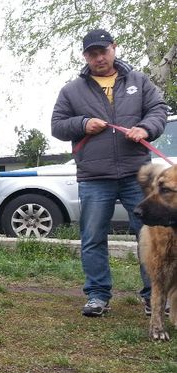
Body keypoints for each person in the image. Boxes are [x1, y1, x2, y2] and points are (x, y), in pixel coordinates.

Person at [51, 29, 168, 317]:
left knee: (150, 236)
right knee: (92, 237)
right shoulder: (71, 90)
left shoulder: (138, 81)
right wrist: (82, 123)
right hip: (94, 175)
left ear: (114, 48)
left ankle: (153, 295)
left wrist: (146, 128)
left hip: (137, 175)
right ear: (85, 56)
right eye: (92, 53)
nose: (99, 57)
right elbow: (57, 126)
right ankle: (97, 295)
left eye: (103, 51)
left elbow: (158, 110)